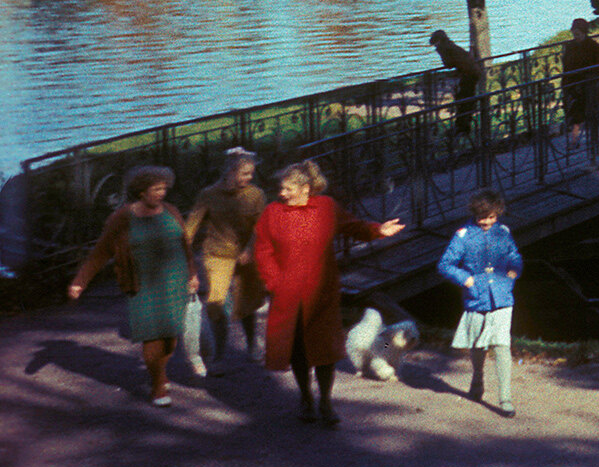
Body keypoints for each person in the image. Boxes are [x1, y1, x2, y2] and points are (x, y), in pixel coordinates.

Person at [254, 161, 404, 427]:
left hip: (322, 291)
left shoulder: (325, 207)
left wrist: (378, 230)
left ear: (305, 188)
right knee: (298, 348)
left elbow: (354, 226)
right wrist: (274, 282)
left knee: (324, 349)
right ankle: (305, 397)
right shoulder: (272, 213)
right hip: (288, 295)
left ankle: (325, 400)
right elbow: (263, 251)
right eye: (281, 189)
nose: (282, 194)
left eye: (288, 189)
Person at [67, 165, 201, 406]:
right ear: (141, 191)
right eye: (156, 189)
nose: (161, 193)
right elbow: (101, 251)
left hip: (174, 281)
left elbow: (185, 245)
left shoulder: (171, 211)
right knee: (152, 336)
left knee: (170, 337)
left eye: (163, 188)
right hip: (142, 285)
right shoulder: (122, 217)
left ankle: (160, 372)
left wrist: (192, 273)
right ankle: (158, 384)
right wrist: (80, 281)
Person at [437, 190, 523, 417]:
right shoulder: (463, 236)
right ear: (475, 215)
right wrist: (465, 278)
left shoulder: (503, 232)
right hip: (477, 296)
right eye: (482, 218)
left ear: (498, 214)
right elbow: (445, 264)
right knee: (477, 343)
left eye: (492, 217)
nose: (487, 222)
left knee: (502, 344)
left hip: (503, 296)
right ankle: (477, 379)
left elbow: (514, 254)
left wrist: (515, 269)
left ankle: (505, 398)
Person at [183, 147, 267, 370]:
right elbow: (191, 226)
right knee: (216, 303)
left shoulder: (255, 195)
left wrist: (249, 249)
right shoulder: (209, 194)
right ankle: (219, 355)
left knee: (247, 301)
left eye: (251, 173)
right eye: (244, 174)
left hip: (247, 255)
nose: (248, 178)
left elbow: (261, 227)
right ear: (229, 172)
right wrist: (183, 250)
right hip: (216, 254)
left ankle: (252, 345)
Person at [560, 17, 599, 147]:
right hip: (574, 84)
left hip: (589, 84)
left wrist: (593, 79)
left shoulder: (592, 46)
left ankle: (593, 140)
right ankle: (574, 141)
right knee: (575, 114)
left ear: (584, 32)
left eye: (578, 33)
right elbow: (566, 66)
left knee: (591, 112)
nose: (576, 36)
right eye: (574, 33)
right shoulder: (570, 47)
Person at [430, 30, 484, 137]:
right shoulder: (451, 45)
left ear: (437, 41)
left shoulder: (445, 48)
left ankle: (461, 126)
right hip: (472, 71)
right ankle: (464, 125)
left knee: (464, 100)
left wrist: (439, 52)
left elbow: (448, 64)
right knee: (465, 99)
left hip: (469, 74)